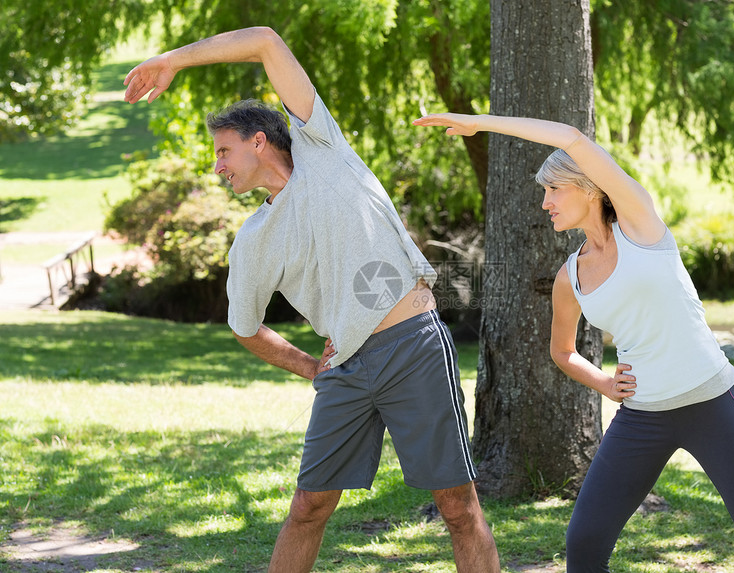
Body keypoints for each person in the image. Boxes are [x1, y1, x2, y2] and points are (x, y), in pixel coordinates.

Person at [124, 27, 500, 573]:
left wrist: (173, 61)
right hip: (345, 367)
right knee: (308, 506)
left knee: (456, 506)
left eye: (223, 151)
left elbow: (265, 41)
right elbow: (245, 327)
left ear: (259, 141)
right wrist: (309, 366)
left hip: (413, 345)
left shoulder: (320, 145)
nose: (218, 166)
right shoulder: (254, 240)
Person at [413, 112, 734, 573]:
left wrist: (478, 122)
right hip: (642, 418)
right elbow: (561, 351)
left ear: (591, 188)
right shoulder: (570, 278)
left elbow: (571, 137)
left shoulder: (641, 225)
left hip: (714, 403)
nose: (545, 203)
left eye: (554, 189)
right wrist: (602, 381)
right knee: (583, 546)